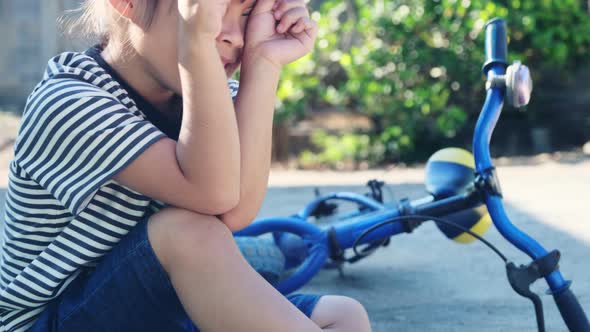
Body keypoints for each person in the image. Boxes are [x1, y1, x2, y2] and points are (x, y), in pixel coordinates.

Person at [0, 0, 372, 331]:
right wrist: (196, 43)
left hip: (157, 304)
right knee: (187, 231)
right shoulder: (68, 101)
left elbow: (235, 210)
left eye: (245, 13)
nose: (233, 36)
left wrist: (264, 62)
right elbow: (212, 196)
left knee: (343, 315)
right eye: (207, 11)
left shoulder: (208, 96)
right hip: (55, 317)